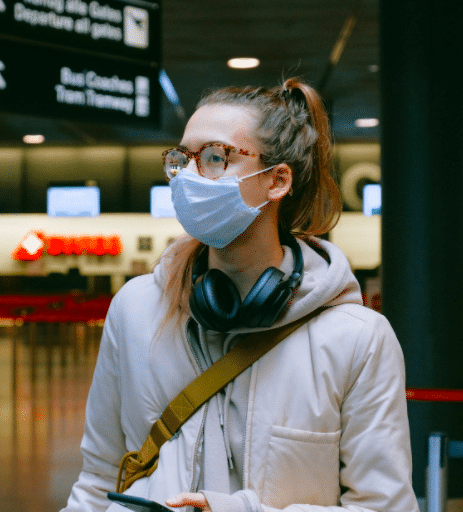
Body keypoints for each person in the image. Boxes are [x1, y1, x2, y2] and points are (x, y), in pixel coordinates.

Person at [61, 77, 418, 512]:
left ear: (277, 181)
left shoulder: (357, 338)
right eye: (182, 159)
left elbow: (386, 506)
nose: (189, 177)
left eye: (216, 157)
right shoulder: (135, 310)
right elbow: (99, 478)